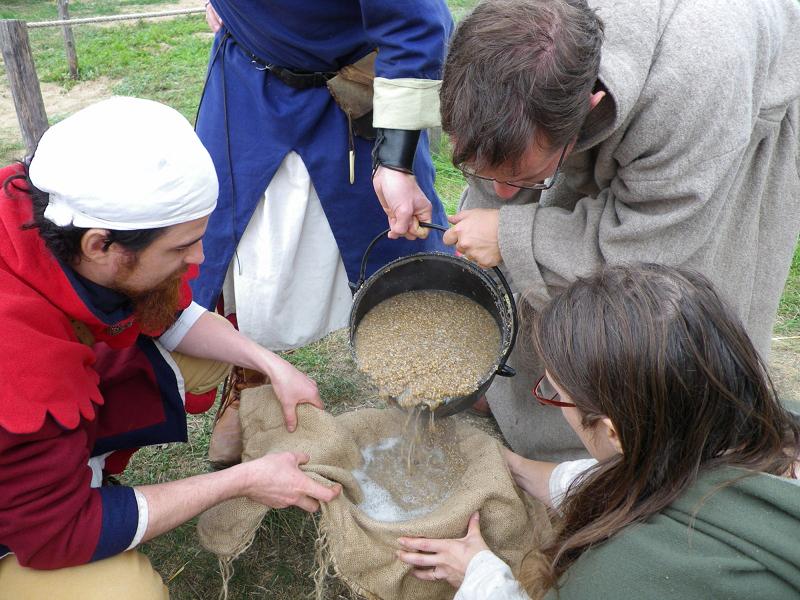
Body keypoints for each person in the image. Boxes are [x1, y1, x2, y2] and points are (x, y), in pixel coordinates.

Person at [0, 97, 340, 598]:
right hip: (23, 515)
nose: (200, 258)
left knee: (207, 347)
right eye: (181, 248)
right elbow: (59, 533)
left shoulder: (46, 208)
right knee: (124, 591)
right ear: (100, 246)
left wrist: (271, 364)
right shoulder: (21, 364)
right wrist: (242, 481)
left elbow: (170, 312)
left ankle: (73, 466)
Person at [437, 0, 800, 460]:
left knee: (669, 309)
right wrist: (493, 213)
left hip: (718, 107)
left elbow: (652, 241)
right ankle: (535, 410)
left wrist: (512, 235)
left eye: (524, 177)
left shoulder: (698, 76)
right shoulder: (507, 40)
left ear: (589, 109)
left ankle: (645, 448)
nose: (503, 194)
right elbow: (499, 144)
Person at [397, 264, 800, 600]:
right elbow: (639, 473)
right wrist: (511, 466)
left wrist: (478, 573)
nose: (552, 400)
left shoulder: (624, 575)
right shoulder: (764, 426)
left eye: (556, 393)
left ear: (614, 432)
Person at [193, 0, 454, 352]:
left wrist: (395, 160)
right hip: (247, 78)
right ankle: (248, 378)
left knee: (400, 241)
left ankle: (429, 366)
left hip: (351, 96)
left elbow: (414, 25)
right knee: (231, 242)